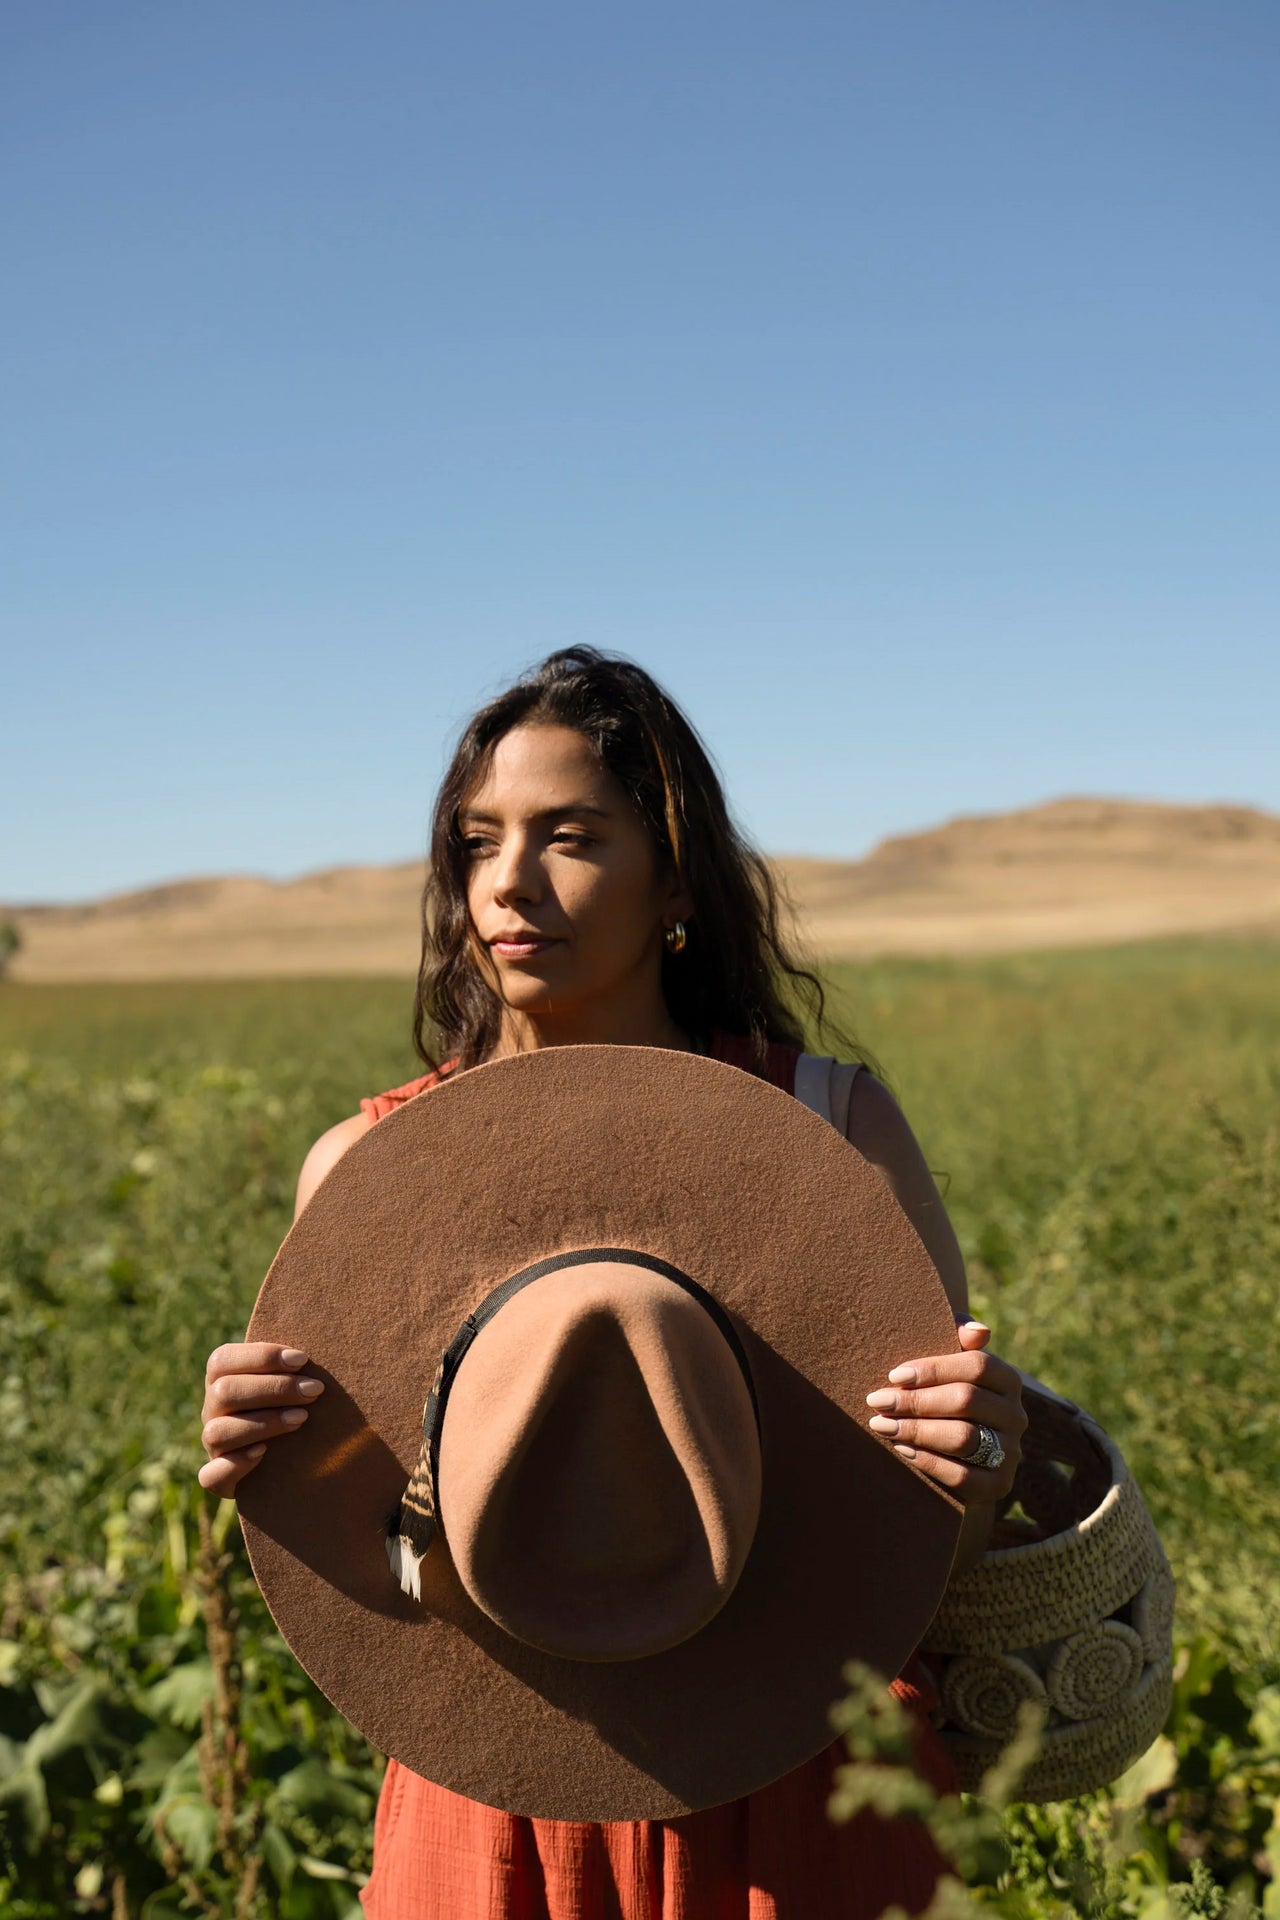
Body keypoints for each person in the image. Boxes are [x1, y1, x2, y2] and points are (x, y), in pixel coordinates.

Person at [199, 648, 1027, 1919]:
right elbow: (371, 1572)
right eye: (477, 843)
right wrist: (275, 1459)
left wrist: (977, 1454)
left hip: (808, 1781)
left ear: (675, 876)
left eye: (568, 836)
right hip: (498, 1773)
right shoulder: (372, 1172)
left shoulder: (827, 1128)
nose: (507, 885)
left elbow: (920, 1533)